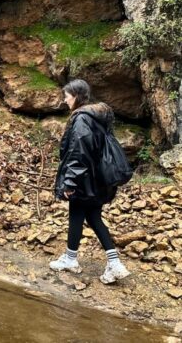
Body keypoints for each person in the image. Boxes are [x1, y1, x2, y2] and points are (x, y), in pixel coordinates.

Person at [51, 79, 130, 284]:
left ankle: (70, 259)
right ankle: (114, 264)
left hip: (85, 180)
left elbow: (79, 153)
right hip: (100, 180)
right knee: (94, 218)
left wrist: (69, 182)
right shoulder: (98, 117)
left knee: (77, 215)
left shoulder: (81, 119)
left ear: (76, 96)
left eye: (67, 96)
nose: (65, 99)